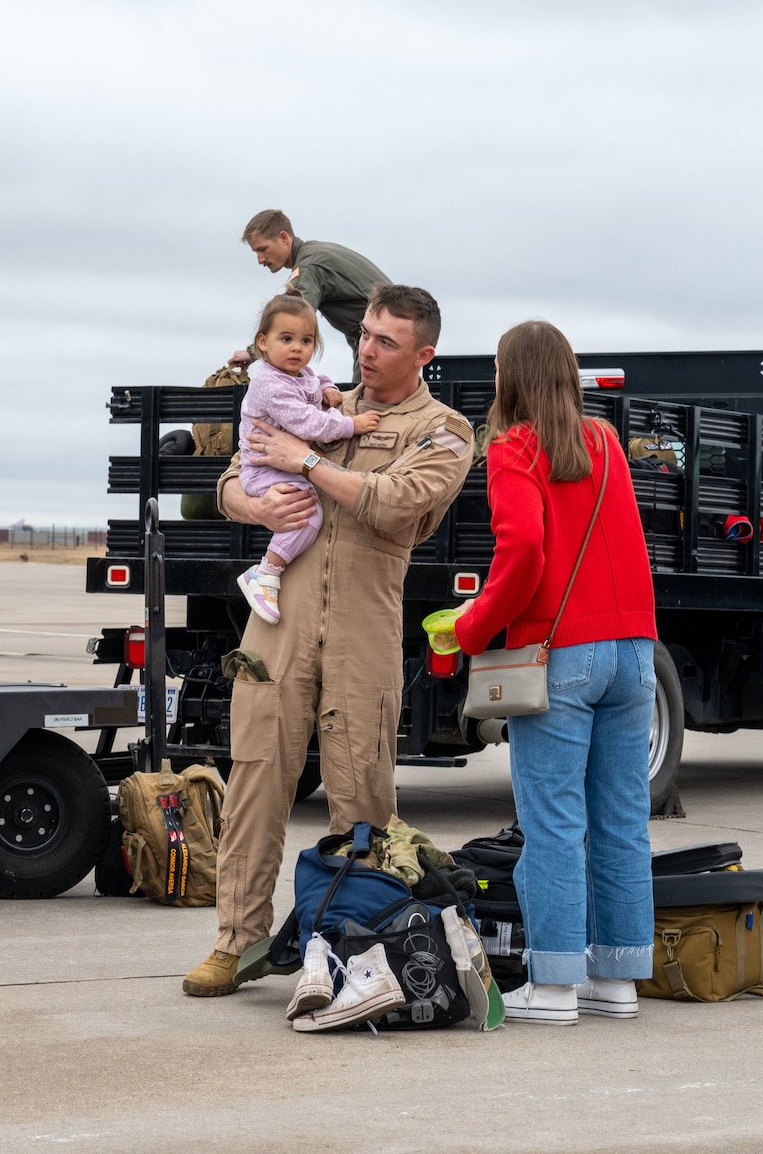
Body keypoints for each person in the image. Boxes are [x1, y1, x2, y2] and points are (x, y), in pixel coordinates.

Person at [183, 284, 474, 998]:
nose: (365, 351)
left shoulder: (445, 430)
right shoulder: (318, 400)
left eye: (385, 342)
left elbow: (393, 502)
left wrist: (305, 460)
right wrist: (251, 501)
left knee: (360, 794)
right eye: (364, 335)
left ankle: (355, 948)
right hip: (278, 621)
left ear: (423, 354)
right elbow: (232, 473)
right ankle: (237, 941)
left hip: (361, 631)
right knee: (254, 777)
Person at [453, 320, 657, 1025]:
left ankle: (556, 986)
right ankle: (619, 979)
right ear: (568, 373)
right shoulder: (604, 441)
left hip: (560, 653)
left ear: (509, 378)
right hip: (635, 651)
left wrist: (473, 630)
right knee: (623, 820)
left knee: (553, 823)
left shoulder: (513, 447)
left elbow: (526, 554)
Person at [236, 292, 381, 624]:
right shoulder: (270, 385)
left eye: (306, 340)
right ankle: (266, 572)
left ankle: (268, 572)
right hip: (264, 470)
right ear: (262, 342)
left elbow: (314, 379)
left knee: (306, 508)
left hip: (278, 465)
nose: (297, 348)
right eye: (285, 339)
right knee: (309, 513)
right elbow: (307, 421)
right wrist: (351, 424)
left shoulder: (297, 374)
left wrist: (329, 387)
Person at [229, 209, 392, 382]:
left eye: (263, 249)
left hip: (382, 343)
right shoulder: (313, 253)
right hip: (382, 341)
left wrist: (253, 352)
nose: (260, 260)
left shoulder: (308, 268)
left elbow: (292, 319)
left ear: (284, 238)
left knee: (366, 403)